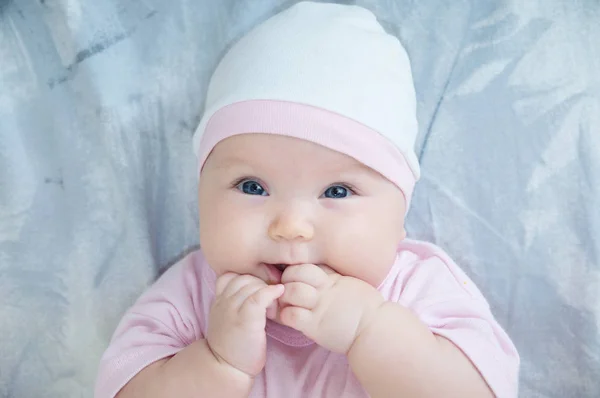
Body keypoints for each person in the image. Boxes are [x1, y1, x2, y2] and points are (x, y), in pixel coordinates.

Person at [94, 2, 519, 397]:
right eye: (252, 186)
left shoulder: (419, 289)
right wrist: (216, 362)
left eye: (337, 191)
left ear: (399, 215)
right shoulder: (189, 296)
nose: (291, 225)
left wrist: (369, 329)